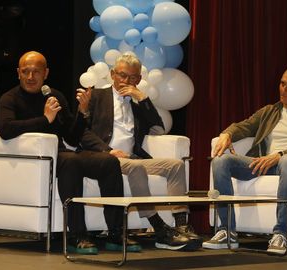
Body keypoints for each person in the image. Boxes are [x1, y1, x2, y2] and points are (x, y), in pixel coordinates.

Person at [0, 51, 141, 255]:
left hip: (63, 153)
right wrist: (45, 120)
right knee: (70, 161)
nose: (30, 77)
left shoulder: (54, 96)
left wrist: (82, 113)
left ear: (45, 73)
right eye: (25, 72)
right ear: (18, 73)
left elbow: (72, 137)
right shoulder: (9, 99)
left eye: (36, 72)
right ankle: (76, 235)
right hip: (38, 159)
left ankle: (116, 233)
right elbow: (5, 128)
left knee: (108, 162)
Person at [80, 53, 202, 251]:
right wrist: (108, 150)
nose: (127, 81)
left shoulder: (137, 107)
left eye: (133, 77)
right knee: (136, 166)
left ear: (139, 79)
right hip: (105, 158)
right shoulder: (96, 96)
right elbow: (82, 132)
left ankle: (181, 224)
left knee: (175, 165)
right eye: (122, 75)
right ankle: (158, 227)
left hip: (132, 158)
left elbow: (159, 129)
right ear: (112, 74)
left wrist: (143, 99)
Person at [203, 67, 287, 255]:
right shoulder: (270, 111)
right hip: (266, 164)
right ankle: (227, 230)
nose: (283, 89)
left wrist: (280, 154)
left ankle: (281, 234)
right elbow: (244, 126)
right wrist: (227, 133)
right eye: (282, 84)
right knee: (221, 161)